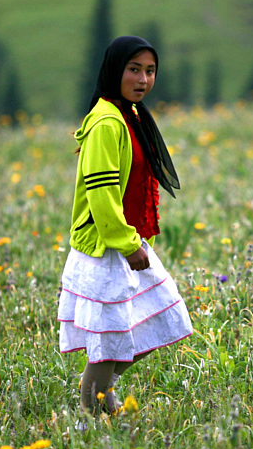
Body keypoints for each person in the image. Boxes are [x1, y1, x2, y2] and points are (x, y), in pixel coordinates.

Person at [57, 36, 193, 417]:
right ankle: (95, 411)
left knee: (161, 319)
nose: (144, 79)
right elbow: (100, 194)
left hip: (129, 240)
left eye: (150, 71)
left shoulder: (127, 114)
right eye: (134, 69)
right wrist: (127, 242)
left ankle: (99, 392)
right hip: (108, 247)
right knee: (113, 341)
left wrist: (135, 241)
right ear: (115, 70)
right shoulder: (105, 121)